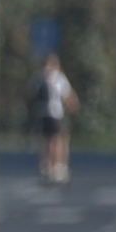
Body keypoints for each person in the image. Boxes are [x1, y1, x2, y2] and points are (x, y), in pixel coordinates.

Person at [33, 53, 79, 185]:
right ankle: (58, 167)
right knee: (59, 140)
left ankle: (46, 166)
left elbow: (31, 94)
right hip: (57, 113)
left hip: (43, 113)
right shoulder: (58, 78)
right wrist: (72, 106)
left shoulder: (39, 77)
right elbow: (67, 94)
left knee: (47, 141)